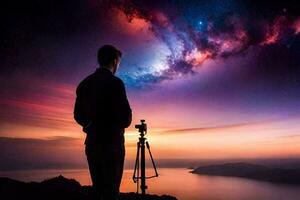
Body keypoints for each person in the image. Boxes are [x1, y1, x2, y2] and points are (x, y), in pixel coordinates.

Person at [74, 45, 132, 200]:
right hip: (112, 145)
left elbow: (77, 115)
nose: (118, 67)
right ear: (114, 61)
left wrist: (90, 126)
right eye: (118, 63)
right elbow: (126, 118)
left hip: (92, 143)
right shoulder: (116, 83)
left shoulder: (84, 83)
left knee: (98, 188)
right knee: (111, 191)